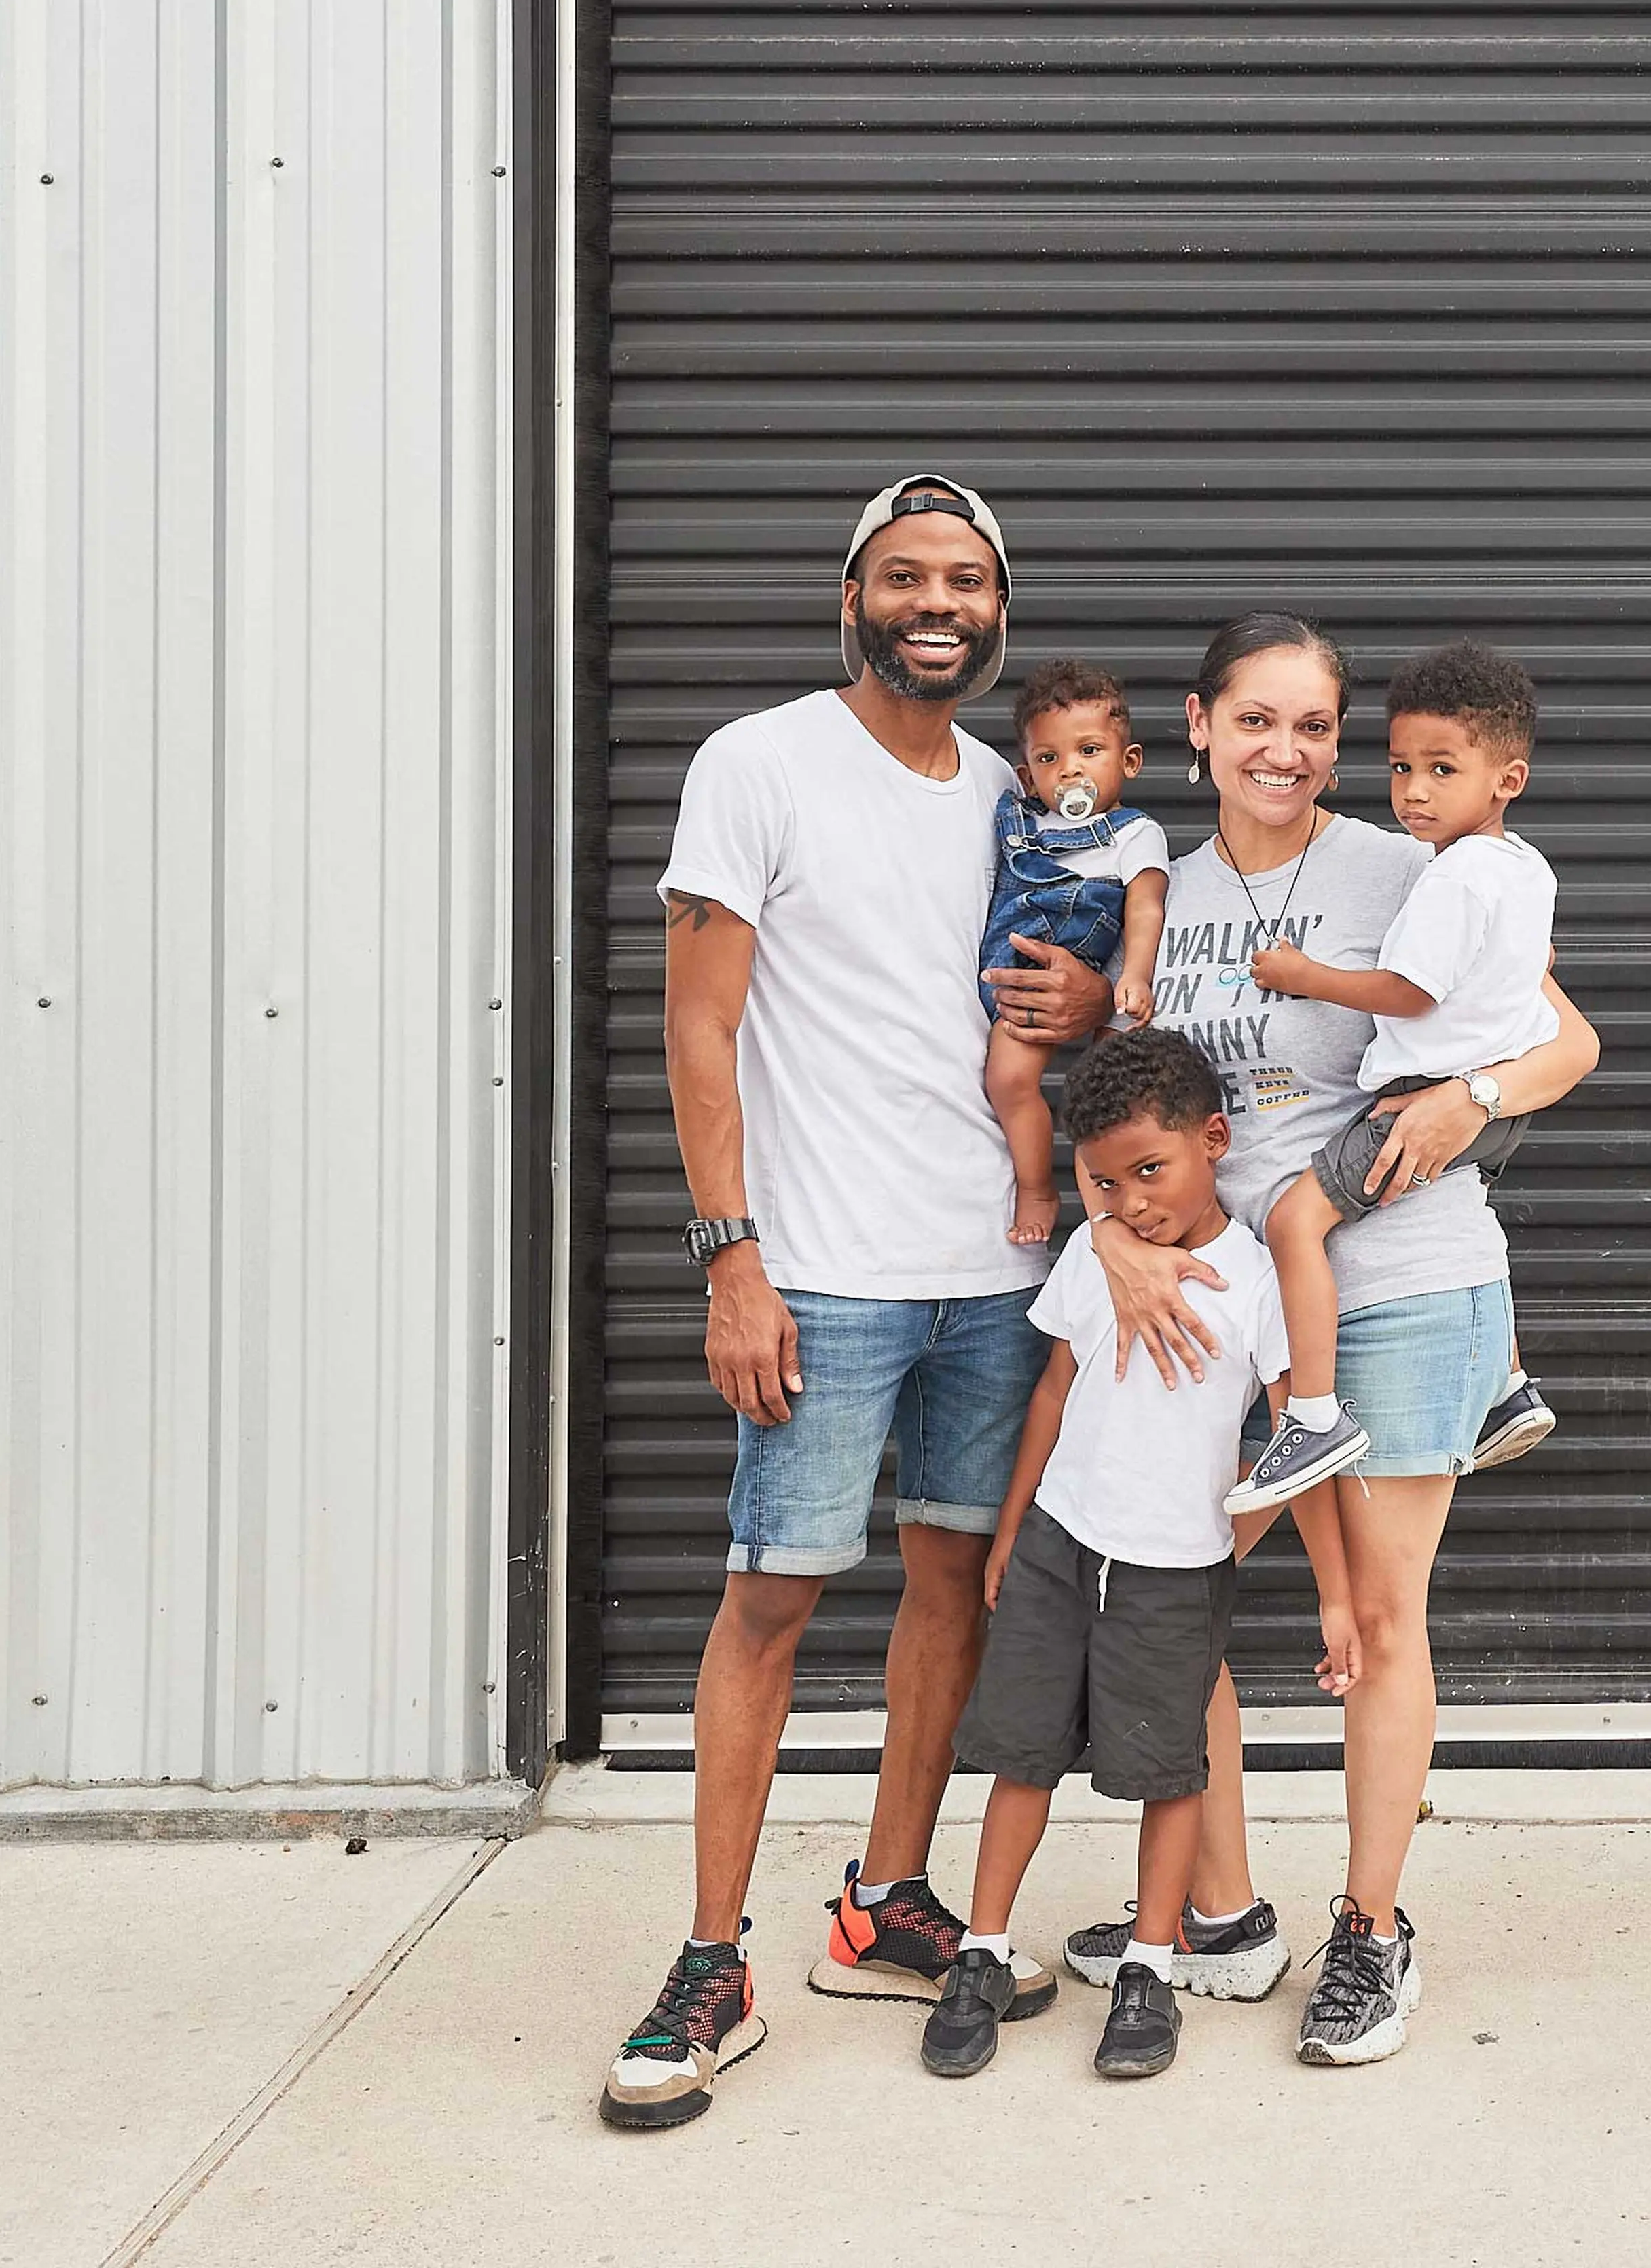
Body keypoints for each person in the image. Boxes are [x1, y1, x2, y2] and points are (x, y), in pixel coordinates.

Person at [598, 473, 1112, 2132]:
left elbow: (1054, 992)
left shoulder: (1015, 793)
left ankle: (887, 1902)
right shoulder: (757, 763)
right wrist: (729, 1257)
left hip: (993, 1271)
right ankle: (710, 1963)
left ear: (998, 610)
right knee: (770, 1597)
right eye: (905, 576)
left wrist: (1091, 998)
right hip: (817, 1269)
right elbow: (697, 1025)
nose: (936, 603)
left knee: (953, 1584)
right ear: (852, 596)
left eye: (966, 579)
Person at [1060, 612, 1601, 2068]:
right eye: (1256, 720)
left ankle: (1369, 1928)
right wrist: (1109, 1233)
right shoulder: (1158, 891)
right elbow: (1114, 1103)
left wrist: (1469, 1101)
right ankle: (1223, 1915)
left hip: (1402, 1281)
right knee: (1169, 1596)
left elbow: (1566, 1042)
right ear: (1198, 725)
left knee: (1381, 1619)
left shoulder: (1409, 865)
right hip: (1218, 1304)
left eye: (1313, 727)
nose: (1284, 752)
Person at [922, 1031, 1358, 2085]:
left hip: (1177, 1569)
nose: (1132, 1202)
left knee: (1170, 1773)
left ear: (1215, 1140)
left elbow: (1299, 1448)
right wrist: (1013, 1528)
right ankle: (982, 1952)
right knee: (1022, 1755)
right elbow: (1053, 1391)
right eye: (1107, 1182)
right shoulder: (1093, 1252)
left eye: (1151, 1171)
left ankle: (1151, 1968)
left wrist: (1337, 1598)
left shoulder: (1259, 1281)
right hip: (1059, 1544)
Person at [1228, 640, 1559, 1512]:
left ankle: (1312, 1416)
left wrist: (1306, 975)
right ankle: (1507, 1386)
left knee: (1296, 1221)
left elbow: (1410, 991)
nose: (1414, 791)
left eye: (1442, 770)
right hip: (1486, 1099)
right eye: (1403, 767)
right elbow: (1532, 969)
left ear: (1507, 780)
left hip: (1429, 1099)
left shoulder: (1450, 878)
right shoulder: (1524, 866)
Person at [981, 660, 1171, 1245]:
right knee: (1007, 1081)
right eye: (1049, 758)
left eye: (1089, 751)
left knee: (1108, 1100)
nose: (1070, 771)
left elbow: (1146, 909)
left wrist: (1135, 976)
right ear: (1026, 774)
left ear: (1128, 761)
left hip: (1100, 968)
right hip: (1022, 972)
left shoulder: (1134, 834)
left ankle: (1106, 1208)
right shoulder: (1021, 826)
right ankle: (1037, 1184)